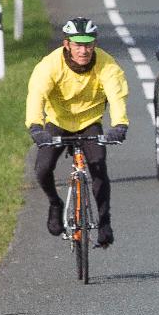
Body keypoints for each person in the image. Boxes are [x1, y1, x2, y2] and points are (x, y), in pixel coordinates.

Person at [26, 17, 130, 248]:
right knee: (42, 169)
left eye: (89, 44)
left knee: (98, 165)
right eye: (78, 45)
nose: (84, 50)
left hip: (89, 121)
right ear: (67, 45)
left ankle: (104, 221)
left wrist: (119, 125)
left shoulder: (107, 64)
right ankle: (55, 203)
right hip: (58, 121)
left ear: (94, 44)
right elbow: (36, 95)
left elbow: (116, 95)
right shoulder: (50, 65)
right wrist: (36, 126)